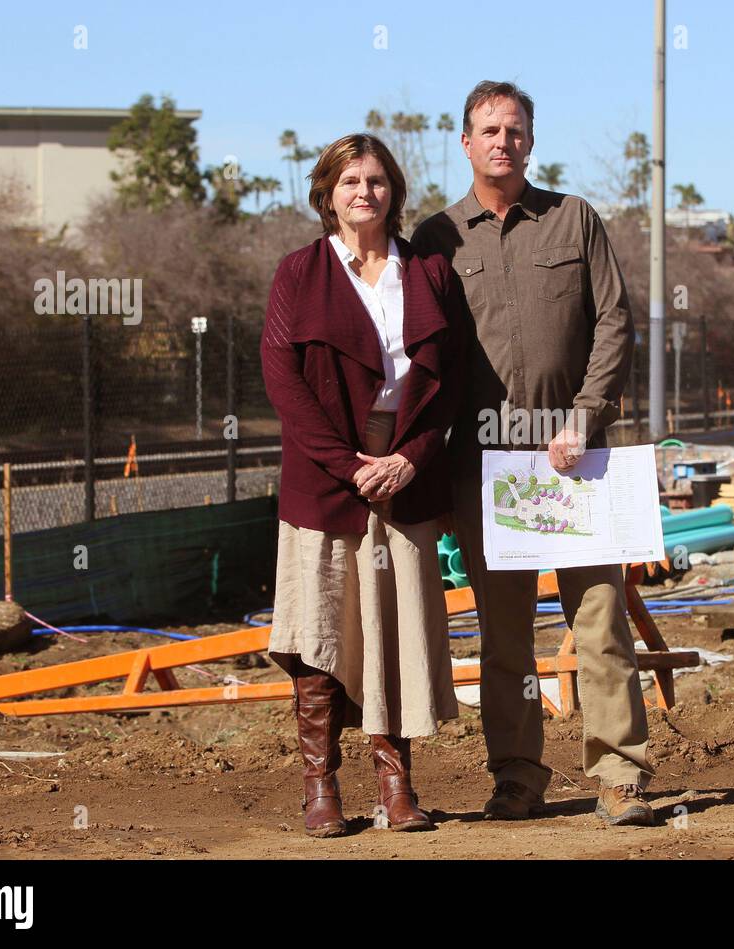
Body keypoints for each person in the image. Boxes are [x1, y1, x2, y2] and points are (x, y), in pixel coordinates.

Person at [412, 81, 656, 826]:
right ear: (465, 142)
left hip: (575, 459)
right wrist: (437, 474)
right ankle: (518, 777)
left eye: (515, 129)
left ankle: (620, 775)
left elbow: (614, 320)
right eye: (488, 129)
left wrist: (585, 415)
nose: (502, 141)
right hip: (486, 470)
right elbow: (424, 354)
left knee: (600, 619)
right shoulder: (435, 239)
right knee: (505, 636)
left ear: (531, 139)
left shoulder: (574, 219)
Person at [261, 133, 467, 836]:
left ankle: (397, 785)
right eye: (349, 180)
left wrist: (409, 457)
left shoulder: (430, 273)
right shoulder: (299, 272)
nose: (364, 192)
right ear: (327, 193)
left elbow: (451, 382)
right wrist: (350, 466)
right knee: (320, 634)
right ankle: (321, 789)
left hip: (406, 475)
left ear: (393, 193)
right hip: (325, 477)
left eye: (376, 180)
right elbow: (284, 384)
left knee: (395, 630)